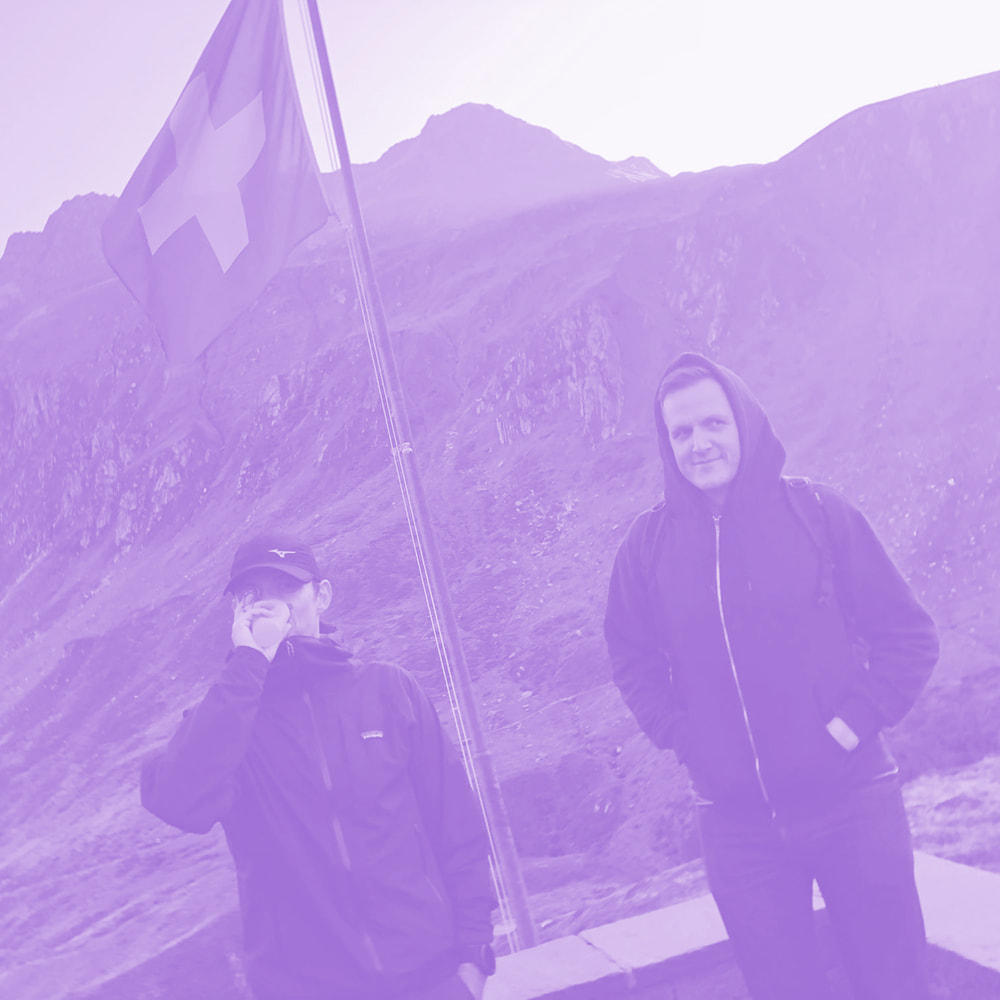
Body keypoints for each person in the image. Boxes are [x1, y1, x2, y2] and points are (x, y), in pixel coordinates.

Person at [604, 353, 938, 1000]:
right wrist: (686, 737)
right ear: (667, 445)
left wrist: (849, 726)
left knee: (895, 985)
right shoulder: (647, 550)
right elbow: (632, 658)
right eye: (681, 433)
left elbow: (908, 635)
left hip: (854, 804)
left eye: (713, 424)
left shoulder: (819, 514)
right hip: (739, 830)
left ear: (744, 423)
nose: (699, 443)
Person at [141, 533, 497, 1000]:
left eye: (287, 589)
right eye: (254, 595)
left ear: (322, 596)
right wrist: (248, 664)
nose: (272, 606)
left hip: (429, 977)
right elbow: (177, 800)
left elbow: (456, 826)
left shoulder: (389, 691)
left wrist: (473, 961)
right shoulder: (233, 723)